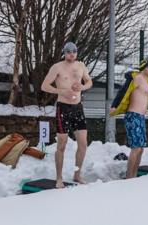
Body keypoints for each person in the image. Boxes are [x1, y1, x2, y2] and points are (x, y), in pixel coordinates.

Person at [41, 42, 93, 188]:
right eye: (69, 51)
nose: (72, 54)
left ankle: (77, 174)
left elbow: (89, 81)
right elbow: (44, 86)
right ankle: (59, 178)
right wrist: (62, 91)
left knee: (83, 144)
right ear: (64, 52)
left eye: (74, 51)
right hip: (63, 108)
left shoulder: (81, 66)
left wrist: (82, 86)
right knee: (62, 144)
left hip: (78, 108)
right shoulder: (57, 67)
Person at [110, 59, 148, 178]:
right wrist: (114, 105)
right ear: (143, 68)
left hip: (141, 117)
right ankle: (129, 176)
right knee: (136, 148)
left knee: (141, 148)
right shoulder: (137, 78)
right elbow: (123, 91)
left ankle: (134, 175)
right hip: (133, 116)